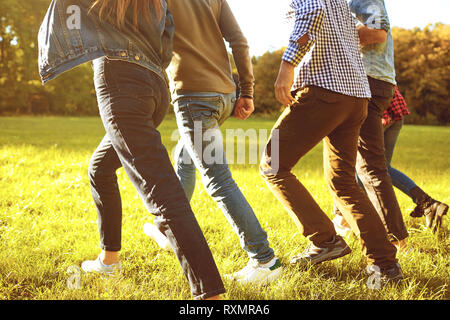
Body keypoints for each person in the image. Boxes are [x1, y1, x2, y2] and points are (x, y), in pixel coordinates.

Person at [38, 0, 225, 300]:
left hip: (121, 81)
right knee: (99, 167)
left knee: (162, 191)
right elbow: (166, 46)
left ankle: (209, 296)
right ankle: (109, 260)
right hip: (154, 85)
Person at [260, 0, 402, 286]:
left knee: (273, 165)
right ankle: (385, 264)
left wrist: (287, 67)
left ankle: (324, 241)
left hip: (324, 91)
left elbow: (312, 12)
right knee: (343, 182)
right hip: (356, 95)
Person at [144, 0, 282, 285]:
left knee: (217, 180)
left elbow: (150, 44)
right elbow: (239, 41)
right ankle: (168, 228)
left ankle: (264, 259)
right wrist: (247, 91)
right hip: (224, 97)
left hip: (195, 98)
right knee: (185, 155)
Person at [333, 0, 409, 251]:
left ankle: (398, 241)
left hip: (369, 82)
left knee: (369, 166)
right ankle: (342, 221)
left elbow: (377, 33)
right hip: (363, 82)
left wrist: (333, 34)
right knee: (344, 160)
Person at [334, 87, 448, 235]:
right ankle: (426, 202)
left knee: (366, 169)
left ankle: (346, 221)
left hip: (373, 116)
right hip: (393, 111)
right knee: (380, 169)